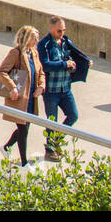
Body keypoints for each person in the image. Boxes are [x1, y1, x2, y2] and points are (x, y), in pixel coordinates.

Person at [37, 15, 87, 161]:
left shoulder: (65, 41)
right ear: (51, 28)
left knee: (73, 115)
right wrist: (65, 65)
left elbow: (75, 55)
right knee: (51, 122)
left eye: (64, 30)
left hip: (65, 88)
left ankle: (55, 143)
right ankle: (50, 150)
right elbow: (45, 65)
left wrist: (81, 63)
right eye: (59, 31)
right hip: (51, 90)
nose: (62, 33)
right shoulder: (44, 45)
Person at [0, 26, 45, 168]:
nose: (36, 40)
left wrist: (41, 86)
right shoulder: (16, 53)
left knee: (24, 128)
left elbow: (41, 73)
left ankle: (6, 147)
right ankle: (24, 163)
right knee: (23, 129)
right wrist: (12, 87)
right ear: (26, 38)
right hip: (19, 98)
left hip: (31, 98)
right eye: (34, 37)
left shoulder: (34, 53)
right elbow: (2, 71)